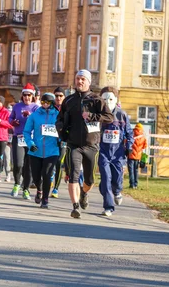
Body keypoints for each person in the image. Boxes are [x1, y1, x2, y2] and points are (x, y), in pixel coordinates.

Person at [55, 70, 114, 219]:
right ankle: (75, 207)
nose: (79, 82)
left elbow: (109, 117)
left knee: (89, 180)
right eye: (77, 79)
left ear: (88, 82)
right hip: (73, 144)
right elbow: (59, 118)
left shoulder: (96, 100)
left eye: (82, 79)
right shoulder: (68, 101)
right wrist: (60, 127)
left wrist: (92, 116)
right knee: (73, 175)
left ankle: (84, 192)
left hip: (91, 145)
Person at [98, 87, 134, 217]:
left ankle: (117, 191)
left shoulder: (122, 115)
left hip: (118, 154)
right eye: (104, 99)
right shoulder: (99, 115)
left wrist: (129, 146)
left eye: (110, 99)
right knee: (106, 178)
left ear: (116, 99)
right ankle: (108, 207)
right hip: (103, 152)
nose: (107, 102)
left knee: (117, 180)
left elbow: (129, 133)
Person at [23, 93, 60, 209]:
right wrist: (30, 144)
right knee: (36, 176)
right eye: (43, 102)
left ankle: (45, 199)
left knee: (47, 174)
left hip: (52, 150)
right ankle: (39, 189)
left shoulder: (58, 115)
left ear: (52, 103)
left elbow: (63, 129)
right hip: (36, 150)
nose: (45, 104)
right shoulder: (34, 116)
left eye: (47, 102)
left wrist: (61, 139)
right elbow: (26, 132)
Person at [9, 83, 39, 198]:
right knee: (18, 163)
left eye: (29, 95)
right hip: (18, 137)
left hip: (31, 139)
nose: (27, 97)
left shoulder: (36, 107)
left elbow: (39, 120)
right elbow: (11, 117)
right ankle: (17, 183)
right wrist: (12, 122)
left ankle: (26, 189)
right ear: (22, 96)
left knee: (29, 165)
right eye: (25, 95)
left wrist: (30, 115)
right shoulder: (17, 106)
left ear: (33, 96)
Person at [51, 86, 67, 198]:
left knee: (59, 163)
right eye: (56, 96)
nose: (58, 98)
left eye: (61, 96)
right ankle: (50, 177)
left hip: (63, 140)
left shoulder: (67, 108)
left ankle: (55, 189)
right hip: (51, 139)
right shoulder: (50, 108)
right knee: (50, 163)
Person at [128, 123, 146, 189]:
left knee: (131, 170)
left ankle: (131, 184)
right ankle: (136, 184)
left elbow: (127, 142)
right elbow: (145, 146)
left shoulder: (132, 134)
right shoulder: (143, 136)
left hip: (131, 154)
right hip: (138, 156)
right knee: (136, 170)